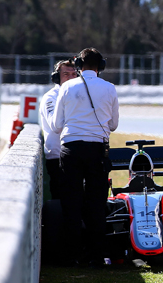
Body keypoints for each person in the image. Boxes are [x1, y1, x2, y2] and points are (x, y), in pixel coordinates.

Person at [50, 47, 119, 268]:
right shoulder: (110, 88)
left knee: (72, 203)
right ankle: (96, 256)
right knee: (96, 203)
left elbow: (56, 125)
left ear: (79, 66)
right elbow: (114, 125)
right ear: (101, 66)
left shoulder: (67, 87)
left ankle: (71, 256)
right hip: (98, 150)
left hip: (71, 149)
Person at [40, 60, 77, 200]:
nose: (71, 77)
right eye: (66, 74)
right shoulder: (50, 98)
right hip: (57, 157)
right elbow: (56, 126)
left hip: (75, 155)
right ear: (57, 77)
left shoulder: (80, 96)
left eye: (74, 74)